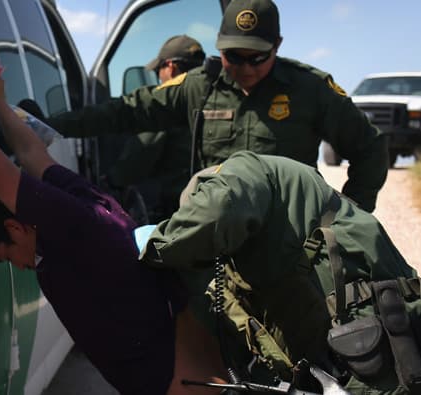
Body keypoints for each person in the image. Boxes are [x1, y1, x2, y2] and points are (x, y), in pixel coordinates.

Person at [0, 0, 225, 393]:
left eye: (4, 257)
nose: (16, 266)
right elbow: (33, 153)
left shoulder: (71, 227)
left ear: (15, 226)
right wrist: (0, 104)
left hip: (177, 383)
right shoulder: (80, 201)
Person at [47, 0, 388, 213]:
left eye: (257, 58)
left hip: (290, 245)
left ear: (277, 46)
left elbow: (370, 149)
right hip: (214, 241)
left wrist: (347, 214)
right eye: (234, 57)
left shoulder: (311, 89)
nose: (247, 69)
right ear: (219, 47)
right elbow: (125, 111)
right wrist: (49, 125)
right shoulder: (199, 87)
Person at [141, 150, 421, 394]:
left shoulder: (240, 172)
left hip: (375, 345)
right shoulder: (283, 191)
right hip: (379, 333)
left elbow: (215, 212)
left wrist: (155, 247)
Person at [109, 34, 205, 223]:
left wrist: (111, 181)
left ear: (171, 67)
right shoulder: (213, 94)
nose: (159, 78)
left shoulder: (167, 107)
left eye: (158, 70)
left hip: (179, 209)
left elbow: (138, 157)